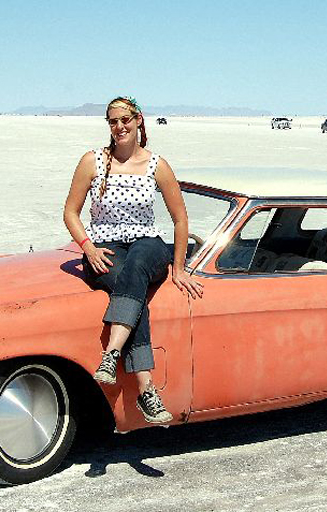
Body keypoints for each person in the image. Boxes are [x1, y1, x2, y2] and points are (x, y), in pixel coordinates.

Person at [63, 96, 203, 424]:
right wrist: (88, 248)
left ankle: (111, 352)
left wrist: (178, 268)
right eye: (113, 121)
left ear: (138, 120)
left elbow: (180, 219)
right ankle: (146, 390)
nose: (119, 127)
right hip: (105, 247)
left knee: (138, 264)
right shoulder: (92, 161)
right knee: (132, 288)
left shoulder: (157, 165)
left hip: (148, 243)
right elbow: (70, 211)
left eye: (125, 120)